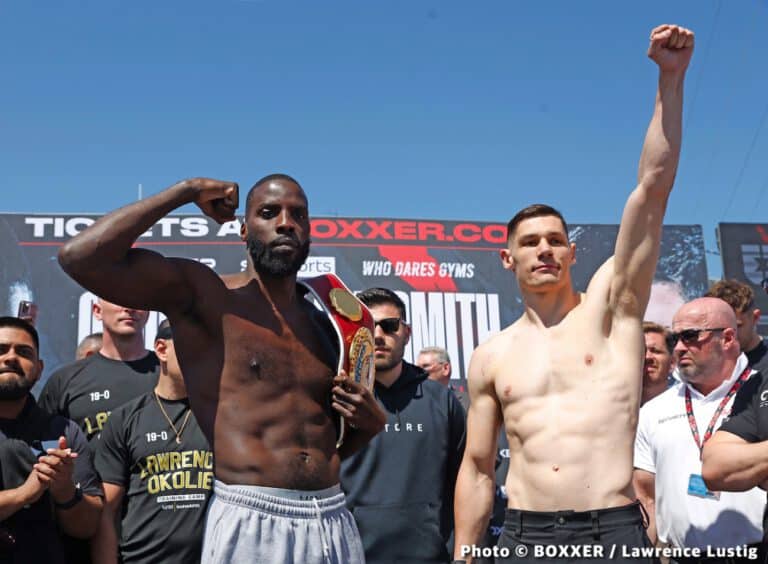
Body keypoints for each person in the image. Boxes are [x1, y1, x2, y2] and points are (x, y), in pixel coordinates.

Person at [453, 24, 694, 563]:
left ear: (571, 254)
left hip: (612, 532)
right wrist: (465, 553)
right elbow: (475, 467)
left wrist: (670, 80)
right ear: (507, 258)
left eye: (556, 241)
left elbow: (653, 189)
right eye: (530, 242)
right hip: (521, 535)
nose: (544, 250)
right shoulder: (491, 355)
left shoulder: (615, 311)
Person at [56, 173, 385, 564]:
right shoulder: (208, 297)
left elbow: (324, 444)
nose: (286, 223)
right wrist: (186, 191)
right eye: (269, 212)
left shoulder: (326, 319)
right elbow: (80, 257)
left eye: (298, 214)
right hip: (251, 519)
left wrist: (370, 425)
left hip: (332, 517)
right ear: (244, 229)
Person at [341, 288, 466, 563]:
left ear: (406, 333)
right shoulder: (339, 398)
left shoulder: (442, 401)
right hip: (351, 556)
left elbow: (467, 484)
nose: (378, 335)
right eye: (368, 326)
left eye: (389, 326)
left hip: (430, 557)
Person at [633, 298, 764, 561]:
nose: (679, 348)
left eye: (690, 336)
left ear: (727, 338)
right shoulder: (653, 411)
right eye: (674, 340)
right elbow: (646, 498)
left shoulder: (761, 392)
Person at [91, 320, 213, 564]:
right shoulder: (126, 418)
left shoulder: (222, 416)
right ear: (161, 349)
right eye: (192, 345)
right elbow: (106, 511)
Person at [0, 316, 103, 564]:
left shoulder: (63, 431)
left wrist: (64, 489)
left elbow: (88, 527)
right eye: (1, 350)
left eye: (24, 352)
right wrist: (25, 494)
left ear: (39, 369)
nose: (11, 357)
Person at [39, 299, 159, 442]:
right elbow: (40, 447)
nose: (128, 308)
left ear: (148, 312)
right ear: (97, 311)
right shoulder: (64, 380)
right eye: (117, 298)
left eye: (135, 297)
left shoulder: (172, 373)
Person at [705, 279, 768, 373]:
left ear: (755, 318)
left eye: (737, 326)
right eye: (720, 329)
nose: (729, 335)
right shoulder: (705, 365)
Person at [418, 345, 470, 410]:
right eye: (416, 367)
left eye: (425, 366)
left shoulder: (468, 403)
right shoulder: (410, 402)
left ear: (445, 368)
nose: (418, 372)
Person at [642, 322, 674, 405]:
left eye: (656, 351)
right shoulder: (610, 406)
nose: (647, 357)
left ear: (673, 362)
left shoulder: (686, 404)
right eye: (641, 351)